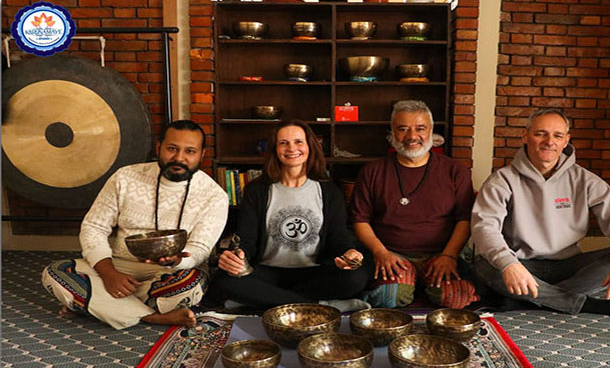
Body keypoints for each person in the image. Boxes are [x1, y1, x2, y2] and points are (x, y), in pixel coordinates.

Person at [41, 120, 229, 329]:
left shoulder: (214, 196)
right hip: (119, 264)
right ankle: (153, 316)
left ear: (202, 155)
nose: (179, 158)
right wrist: (108, 274)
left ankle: (94, 301)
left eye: (190, 151)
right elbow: (93, 227)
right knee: (56, 272)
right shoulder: (125, 177)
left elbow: (200, 249)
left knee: (190, 284)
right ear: (159, 147)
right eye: (172, 148)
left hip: (170, 273)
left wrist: (176, 261)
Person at [471, 108, 610, 318]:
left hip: (568, 265)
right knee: (486, 265)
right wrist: (509, 264)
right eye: (540, 134)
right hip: (521, 264)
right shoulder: (501, 181)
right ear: (525, 136)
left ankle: (530, 300)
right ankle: (578, 303)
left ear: (566, 141)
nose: (549, 142)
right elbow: (485, 228)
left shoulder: (585, 180)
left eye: (558, 136)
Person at [211, 120, 370, 312]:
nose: (292, 148)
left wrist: (349, 253)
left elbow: (338, 237)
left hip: (313, 272)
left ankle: (264, 299)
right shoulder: (257, 190)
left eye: (298, 142)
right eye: (283, 143)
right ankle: (321, 306)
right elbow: (247, 238)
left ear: (310, 147)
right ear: (275, 149)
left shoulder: (329, 191)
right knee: (223, 279)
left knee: (356, 278)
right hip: (267, 271)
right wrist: (237, 256)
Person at [350, 100, 479, 309]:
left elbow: (465, 219)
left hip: (441, 254)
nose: (412, 136)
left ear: (431, 132)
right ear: (392, 133)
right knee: (390, 298)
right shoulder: (372, 171)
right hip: (392, 254)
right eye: (403, 129)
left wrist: (449, 255)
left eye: (420, 129)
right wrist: (380, 252)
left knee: (455, 299)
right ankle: (406, 284)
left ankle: (421, 283)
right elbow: (359, 220)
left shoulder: (455, 171)